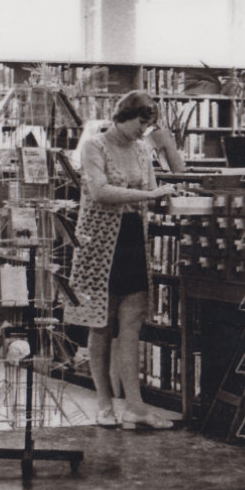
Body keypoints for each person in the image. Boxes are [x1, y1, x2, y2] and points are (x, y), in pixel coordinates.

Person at [64, 90, 184, 430]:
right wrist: (148, 194)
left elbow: (160, 185)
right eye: (139, 123)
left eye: (147, 126)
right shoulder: (94, 146)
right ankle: (104, 404)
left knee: (131, 326)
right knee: (100, 325)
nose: (142, 131)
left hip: (133, 241)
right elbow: (99, 191)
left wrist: (168, 146)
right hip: (99, 244)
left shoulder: (143, 149)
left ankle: (135, 406)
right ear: (123, 116)